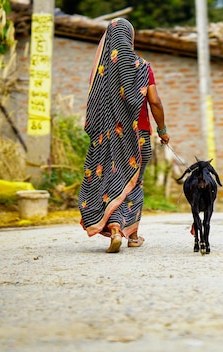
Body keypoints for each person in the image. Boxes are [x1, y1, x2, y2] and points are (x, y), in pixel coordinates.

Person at [78, 18, 170, 253]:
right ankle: (133, 234)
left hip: (106, 138)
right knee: (134, 181)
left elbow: (94, 108)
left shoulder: (101, 73)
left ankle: (117, 230)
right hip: (137, 137)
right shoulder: (142, 66)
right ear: (130, 38)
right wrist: (162, 130)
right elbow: (155, 102)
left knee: (111, 181)